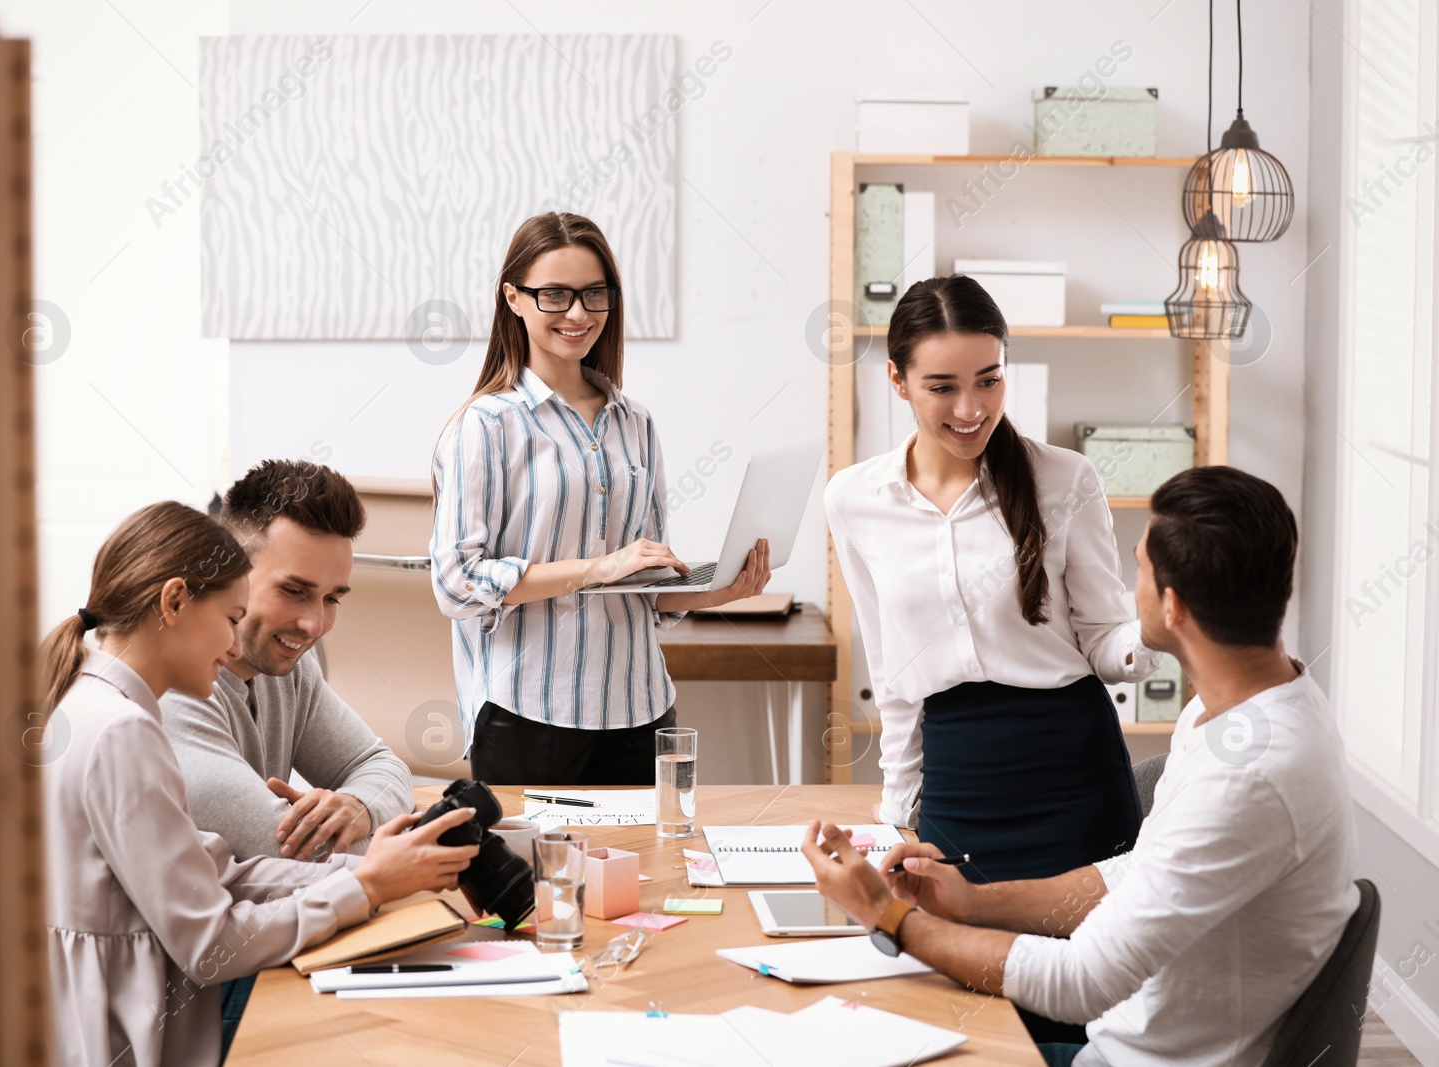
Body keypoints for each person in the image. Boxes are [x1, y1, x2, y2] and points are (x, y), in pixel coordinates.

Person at [802, 466, 1359, 1067]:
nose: (1130, 587)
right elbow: (1140, 873)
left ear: (1171, 606)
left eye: (1139, 568)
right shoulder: (1253, 706)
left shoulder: (1246, 776)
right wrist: (969, 902)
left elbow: (1079, 982)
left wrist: (888, 916)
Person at [43, 501, 479, 1067]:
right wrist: (366, 888)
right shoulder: (126, 732)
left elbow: (215, 875)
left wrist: (365, 874)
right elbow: (210, 944)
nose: (232, 647)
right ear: (174, 602)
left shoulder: (94, 702)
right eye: (230, 618)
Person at [825, 275, 1156, 882]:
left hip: (1074, 775)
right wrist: (900, 802)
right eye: (942, 387)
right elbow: (890, 667)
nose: (971, 409)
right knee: (951, 967)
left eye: (989, 379)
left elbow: (1106, 637)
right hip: (957, 779)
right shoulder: (854, 499)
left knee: (1085, 968)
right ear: (897, 380)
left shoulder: (1067, 480)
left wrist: (1156, 635)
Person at [430, 211, 769, 785]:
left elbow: (641, 589)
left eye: (594, 294)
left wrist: (718, 591)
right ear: (513, 298)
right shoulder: (485, 426)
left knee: (646, 875)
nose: (579, 314)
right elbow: (457, 583)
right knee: (539, 876)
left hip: (641, 708)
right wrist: (596, 568)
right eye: (555, 295)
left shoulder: (636, 422)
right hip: (531, 711)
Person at [162, 459, 414, 862]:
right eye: (295, 591)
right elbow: (293, 854)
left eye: (332, 598)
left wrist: (358, 807)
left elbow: (378, 765)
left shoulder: (289, 669)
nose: (314, 624)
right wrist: (394, 838)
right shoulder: (172, 692)